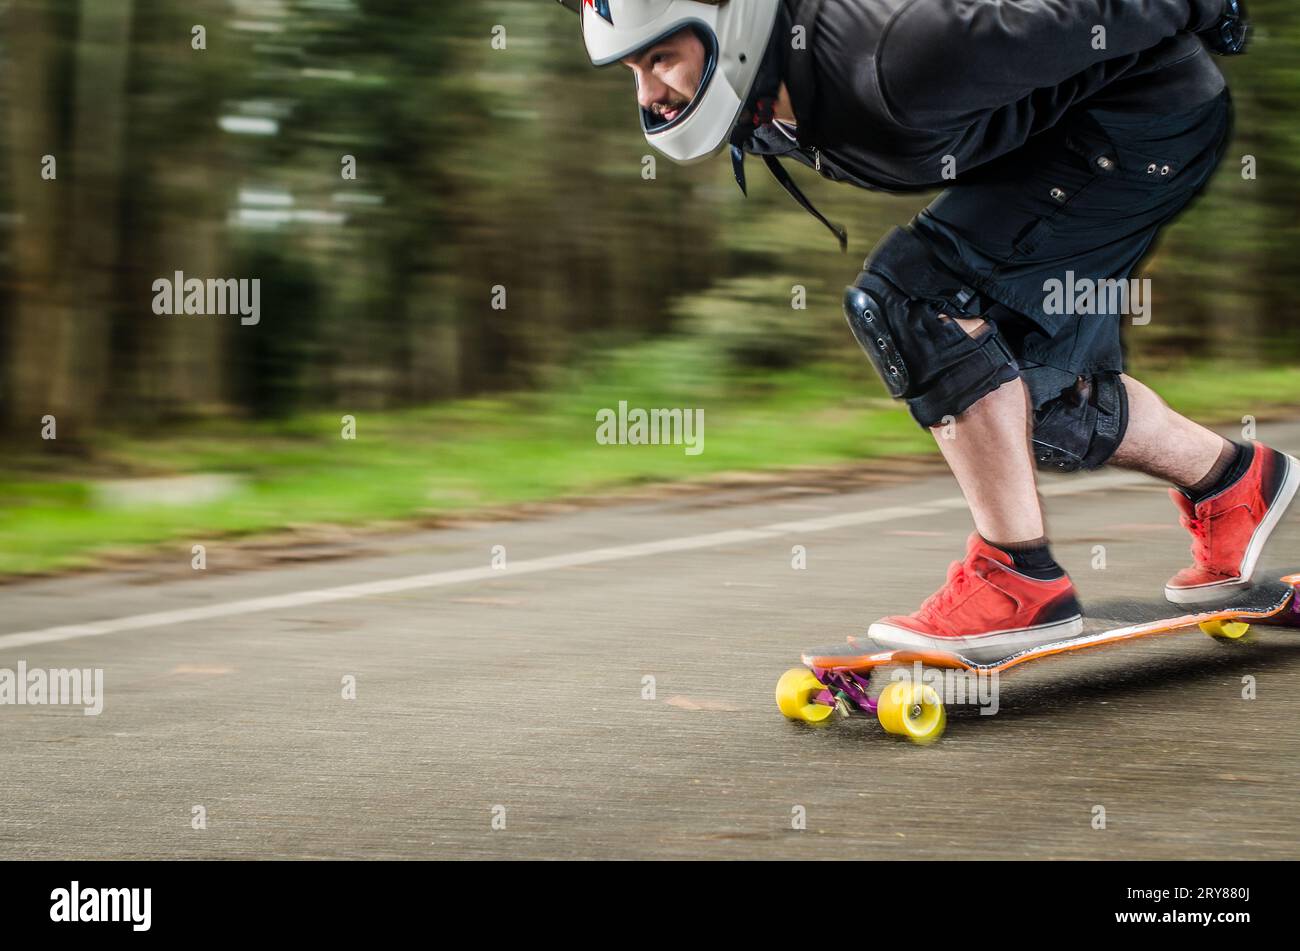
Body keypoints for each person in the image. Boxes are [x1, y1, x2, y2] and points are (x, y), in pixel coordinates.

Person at [558, 0, 1297, 652]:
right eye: (632, 70)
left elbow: (1075, 14)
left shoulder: (899, 54)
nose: (650, 95)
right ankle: (1233, 482)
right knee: (1029, 395)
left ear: (731, 21)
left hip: (1142, 131)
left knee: (911, 300)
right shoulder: (759, 88)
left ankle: (1017, 580)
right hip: (1070, 140)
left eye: (661, 59)